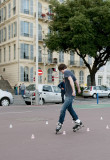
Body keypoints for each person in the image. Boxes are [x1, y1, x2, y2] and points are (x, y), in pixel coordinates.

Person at [56, 64, 83, 133]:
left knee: (63, 109)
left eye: (60, 71)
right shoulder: (70, 72)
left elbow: (71, 80)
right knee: (70, 108)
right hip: (69, 95)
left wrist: (74, 90)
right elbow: (76, 81)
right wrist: (78, 89)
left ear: (61, 69)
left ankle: (60, 123)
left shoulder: (66, 72)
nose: (61, 73)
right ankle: (78, 121)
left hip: (70, 95)